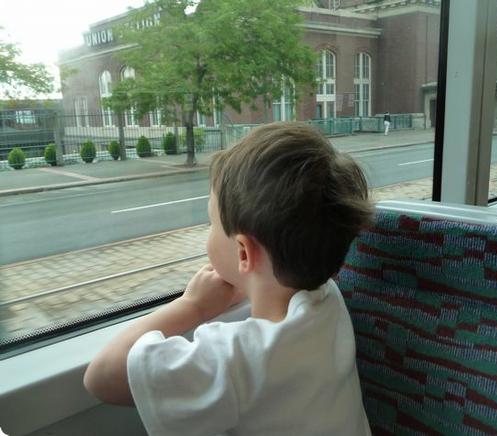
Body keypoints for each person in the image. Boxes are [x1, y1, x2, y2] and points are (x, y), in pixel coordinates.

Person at [83, 122, 373, 436]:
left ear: (244, 253)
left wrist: (193, 306)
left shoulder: (236, 360)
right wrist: (244, 281)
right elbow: (268, 282)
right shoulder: (327, 301)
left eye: (211, 224)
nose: (208, 233)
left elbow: (102, 376)